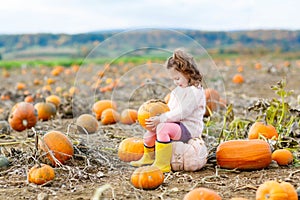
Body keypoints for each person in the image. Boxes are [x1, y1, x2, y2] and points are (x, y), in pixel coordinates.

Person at [130, 49, 206, 172]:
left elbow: (182, 112)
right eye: (173, 79)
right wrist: (156, 117)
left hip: (189, 128)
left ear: (187, 72)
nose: (175, 82)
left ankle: (162, 164)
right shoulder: (178, 90)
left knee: (162, 128)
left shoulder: (195, 91)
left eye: (177, 78)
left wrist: (162, 119)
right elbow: (169, 108)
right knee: (151, 131)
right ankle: (149, 158)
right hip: (177, 125)